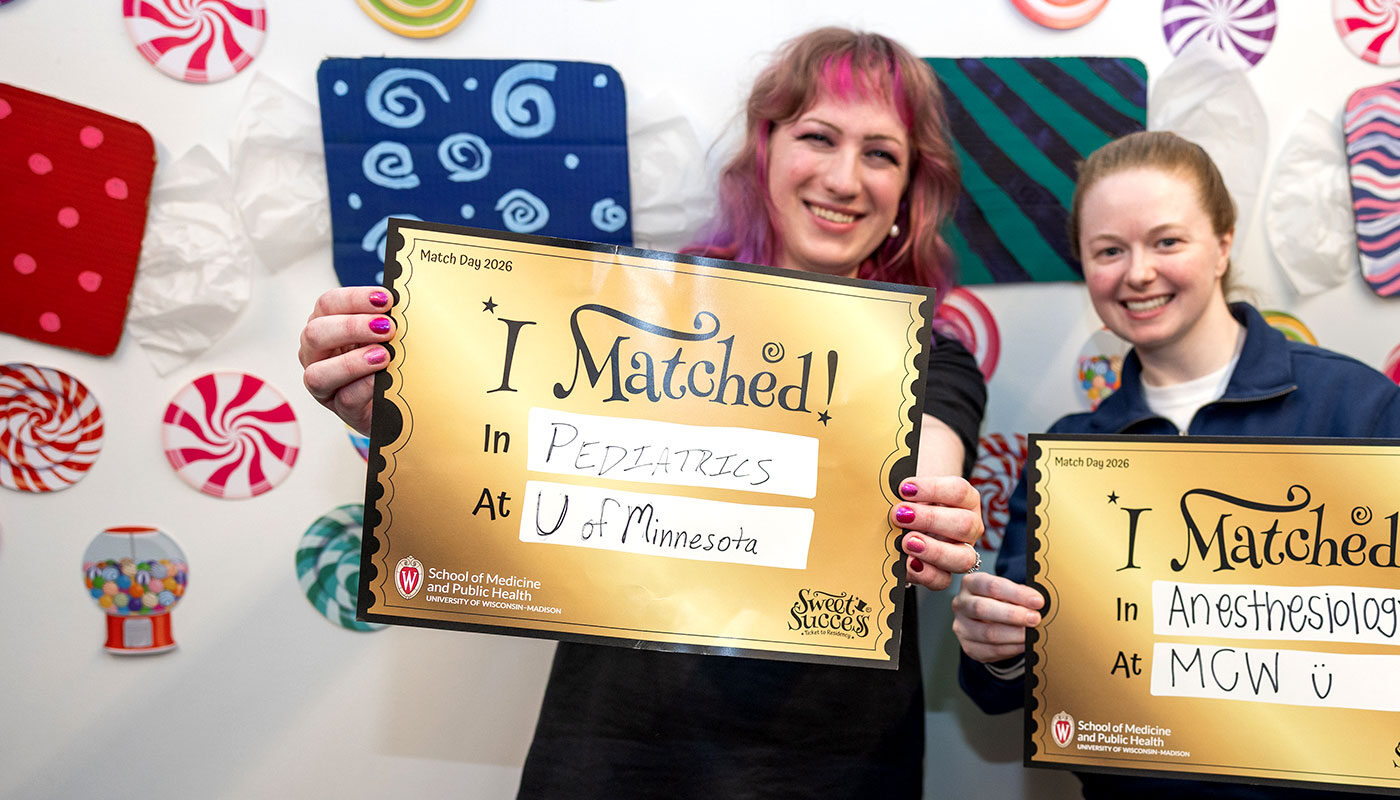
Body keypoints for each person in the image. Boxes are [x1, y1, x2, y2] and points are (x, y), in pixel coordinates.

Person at [297, 28, 986, 798]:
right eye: (818, 137)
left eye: (881, 153)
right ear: (765, 152)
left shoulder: (931, 357)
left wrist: (935, 518)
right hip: (613, 753)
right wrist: (393, 412)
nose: (844, 177)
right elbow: (506, 452)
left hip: (828, 766)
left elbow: (931, 467)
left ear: (909, 189)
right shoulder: (638, 309)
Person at [952, 131, 1400, 799]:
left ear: (1224, 244)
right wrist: (995, 648)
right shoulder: (1073, 455)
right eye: (1109, 251)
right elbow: (1003, 691)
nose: (1137, 272)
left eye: (1167, 241)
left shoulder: (1357, 408)